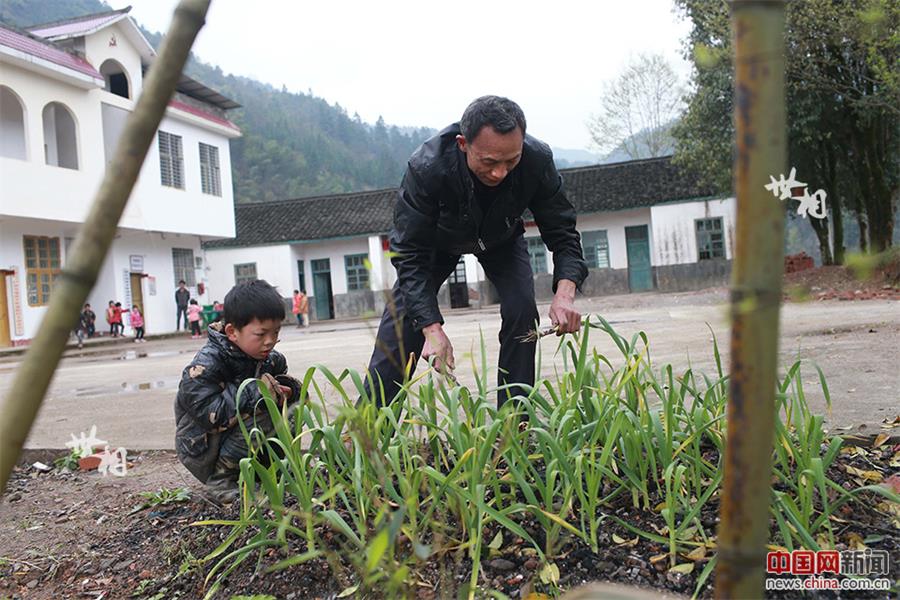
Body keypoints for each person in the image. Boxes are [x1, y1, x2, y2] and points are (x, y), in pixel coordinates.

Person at [364, 96, 587, 408]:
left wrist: (565, 295)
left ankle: (514, 425)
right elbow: (409, 253)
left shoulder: (537, 160)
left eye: (511, 161)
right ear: (462, 144)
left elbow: (563, 233)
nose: (500, 173)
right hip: (435, 244)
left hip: (502, 238)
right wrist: (431, 328)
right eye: (489, 162)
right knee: (404, 323)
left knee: (522, 309)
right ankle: (369, 434)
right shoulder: (427, 167)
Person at [174, 280, 301, 503]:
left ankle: (274, 470)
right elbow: (209, 415)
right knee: (262, 410)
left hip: (239, 442)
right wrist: (255, 392)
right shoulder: (205, 365)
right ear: (232, 332)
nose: (270, 342)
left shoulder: (272, 360)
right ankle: (222, 482)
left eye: (276, 332)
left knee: (292, 410)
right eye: (261, 334)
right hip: (202, 449)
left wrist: (288, 390)